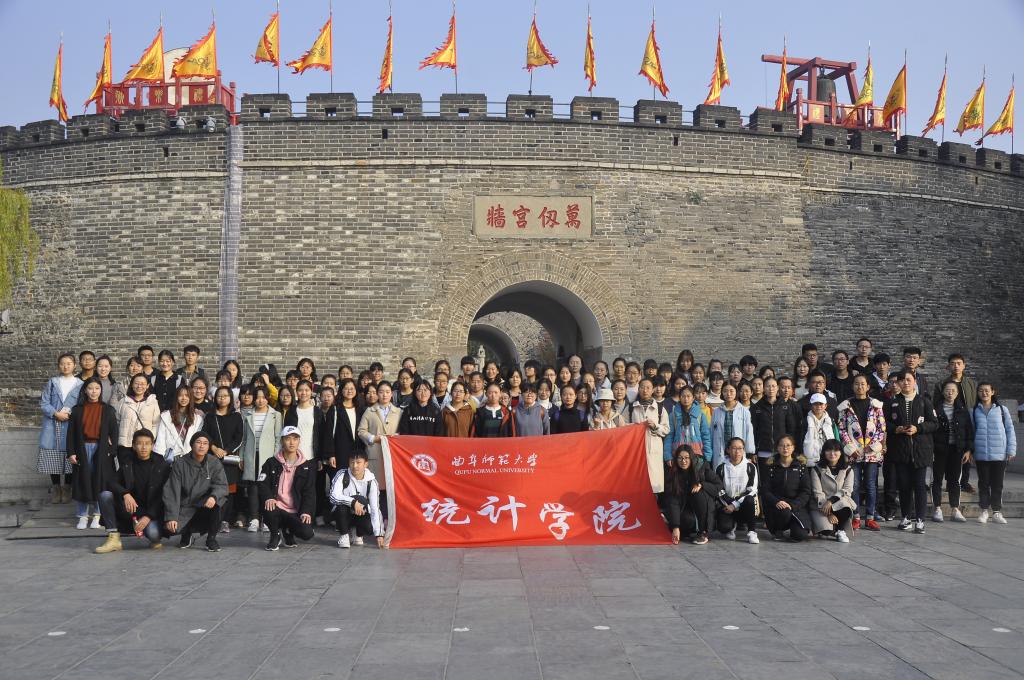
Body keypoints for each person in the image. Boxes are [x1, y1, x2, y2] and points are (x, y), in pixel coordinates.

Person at [94, 428, 170, 553]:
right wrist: (125, 494)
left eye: (147, 443)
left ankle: (151, 534)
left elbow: (163, 496)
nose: (143, 447)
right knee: (105, 495)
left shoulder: (161, 465)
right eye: (139, 443)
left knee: (154, 534)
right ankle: (113, 538)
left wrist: (148, 516)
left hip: (151, 512)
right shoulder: (128, 462)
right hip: (131, 510)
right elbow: (111, 482)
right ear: (134, 446)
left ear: (152, 445)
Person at [885, 370, 937, 534]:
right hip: (900, 450)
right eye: (902, 380)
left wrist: (918, 428)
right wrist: (897, 429)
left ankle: (920, 520)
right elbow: (885, 423)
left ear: (914, 381)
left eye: (909, 379)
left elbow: (934, 423)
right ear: (898, 383)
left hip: (921, 451)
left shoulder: (924, 401)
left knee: (920, 485)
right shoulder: (892, 402)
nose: (905, 382)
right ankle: (906, 517)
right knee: (904, 485)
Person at [66, 377, 119, 529]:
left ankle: (97, 515)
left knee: (99, 482)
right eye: (90, 388)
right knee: (82, 481)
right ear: (85, 390)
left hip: (100, 449)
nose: (93, 392)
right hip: (82, 448)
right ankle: (82, 516)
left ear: (101, 390)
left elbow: (114, 432)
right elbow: (71, 434)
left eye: (97, 388)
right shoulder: (77, 410)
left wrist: (111, 451)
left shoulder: (108, 410)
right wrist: (71, 452)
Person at [162, 431, 228, 551]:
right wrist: (171, 517)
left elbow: (221, 485)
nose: (201, 446)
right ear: (192, 444)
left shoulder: (214, 462)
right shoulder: (180, 463)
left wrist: (213, 496)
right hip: (186, 505)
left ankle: (211, 539)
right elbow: (172, 490)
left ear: (208, 447)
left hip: (205, 503)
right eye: (198, 442)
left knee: (220, 501)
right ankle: (186, 533)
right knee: (171, 529)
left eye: (205, 443)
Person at [836, 374, 886, 531]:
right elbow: (841, 428)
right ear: (853, 386)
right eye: (857, 384)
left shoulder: (876, 405)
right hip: (854, 453)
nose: (860, 386)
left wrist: (873, 446)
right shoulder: (845, 406)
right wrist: (851, 448)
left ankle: (870, 517)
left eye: (863, 384)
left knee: (871, 485)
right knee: (854, 485)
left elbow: (881, 428)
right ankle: (856, 516)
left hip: (872, 452)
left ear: (868, 386)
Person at [258, 426, 317, 550]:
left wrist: (306, 511)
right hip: (276, 508)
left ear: (299, 441)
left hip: (295, 511)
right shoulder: (271, 462)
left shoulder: (307, 466)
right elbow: (262, 483)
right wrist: (268, 497)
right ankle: (275, 535)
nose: (291, 442)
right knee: (268, 505)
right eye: (288, 439)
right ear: (282, 441)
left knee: (307, 533)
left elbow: (309, 492)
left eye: (295, 439)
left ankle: (287, 531)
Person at [39, 353, 83, 504]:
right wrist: (55, 413)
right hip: (53, 424)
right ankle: (56, 488)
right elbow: (44, 403)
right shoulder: (53, 382)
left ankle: (67, 488)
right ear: (59, 365)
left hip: (71, 424)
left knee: (71, 455)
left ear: (74, 365)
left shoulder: (80, 384)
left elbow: (82, 404)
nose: (66, 366)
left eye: (69, 363)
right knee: (53, 457)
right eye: (63, 363)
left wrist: (71, 414)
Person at [932, 353, 978, 493]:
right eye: (952, 363)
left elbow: (975, 402)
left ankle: (964, 482)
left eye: (959, 363)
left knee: (965, 453)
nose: (956, 366)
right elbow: (936, 403)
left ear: (964, 365)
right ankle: (950, 482)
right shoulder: (941, 384)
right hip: (949, 421)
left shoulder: (971, 384)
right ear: (948, 366)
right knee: (949, 455)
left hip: (966, 421)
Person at [971, 382, 1017, 524]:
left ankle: (996, 512)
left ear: (992, 392)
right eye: (981, 390)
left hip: (1000, 454)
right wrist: (971, 451)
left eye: (986, 390)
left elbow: (1010, 430)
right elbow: (971, 432)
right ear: (977, 393)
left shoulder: (1002, 410)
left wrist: (1011, 449)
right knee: (983, 483)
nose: (984, 393)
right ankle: (984, 510)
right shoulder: (974, 411)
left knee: (997, 484)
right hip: (981, 454)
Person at [241, 386, 282, 532]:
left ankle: (266, 519)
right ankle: (254, 519)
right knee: (253, 487)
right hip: (251, 455)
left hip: (268, 456)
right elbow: (244, 439)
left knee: (267, 487)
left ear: (268, 398)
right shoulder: (248, 415)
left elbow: (278, 438)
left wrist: (276, 457)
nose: (260, 400)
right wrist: (242, 457)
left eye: (263, 397)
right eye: (257, 397)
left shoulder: (275, 415)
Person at [663, 444, 722, 545]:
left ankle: (704, 532)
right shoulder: (673, 472)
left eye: (687, 458)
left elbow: (719, 485)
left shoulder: (702, 467)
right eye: (680, 458)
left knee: (698, 492)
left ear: (692, 458)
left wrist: (702, 485)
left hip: (703, 504)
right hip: (685, 506)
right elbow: (673, 501)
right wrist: (675, 527)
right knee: (686, 521)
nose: (683, 461)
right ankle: (685, 530)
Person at [931, 380, 973, 523]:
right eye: (947, 390)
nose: (950, 393)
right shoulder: (935, 409)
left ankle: (955, 508)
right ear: (943, 392)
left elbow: (968, 431)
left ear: (957, 393)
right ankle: (937, 508)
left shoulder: (962, 410)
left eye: (953, 391)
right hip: (939, 449)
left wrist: (968, 450)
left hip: (957, 449)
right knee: (937, 479)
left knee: (955, 480)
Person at [357, 381, 401, 514]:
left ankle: (389, 517)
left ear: (392, 394)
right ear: (377, 394)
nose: (384, 395)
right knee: (375, 488)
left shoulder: (399, 412)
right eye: (381, 392)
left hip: (393, 455)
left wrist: (395, 438)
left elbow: (403, 432)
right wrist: (373, 438)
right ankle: (375, 517)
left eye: (387, 392)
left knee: (391, 487)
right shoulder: (369, 411)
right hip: (375, 453)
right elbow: (361, 431)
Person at [329, 450, 386, 549]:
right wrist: (352, 502)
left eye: (358, 462)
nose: (354, 466)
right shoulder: (342, 475)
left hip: (361, 514)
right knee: (346, 504)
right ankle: (344, 535)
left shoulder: (372, 482)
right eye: (352, 462)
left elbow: (375, 508)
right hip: (342, 513)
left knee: (369, 527)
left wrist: (379, 534)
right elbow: (333, 496)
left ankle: (358, 533)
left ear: (366, 464)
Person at [207, 386, 244, 533]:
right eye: (219, 396)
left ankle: (225, 520)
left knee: (230, 491)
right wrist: (214, 448)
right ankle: (213, 519)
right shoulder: (210, 416)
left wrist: (226, 450)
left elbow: (239, 437)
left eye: (225, 396)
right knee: (214, 489)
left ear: (231, 399)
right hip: (213, 458)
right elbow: (205, 435)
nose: (222, 399)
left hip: (229, 460)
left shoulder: (236, 416)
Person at [762, 436, 813, 542]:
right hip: (777, 506)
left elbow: (806, 491)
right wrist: (776, 501)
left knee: (800, 535)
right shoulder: (771, 466)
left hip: (796, 506)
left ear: (793, 447)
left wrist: (793, 505)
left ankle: (793, 527)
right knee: (784, 512)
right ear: (777, 448)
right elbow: (765, 490)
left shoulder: (801, 467)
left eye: (788, 445)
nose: (785, 448)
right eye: (782, 445)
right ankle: (778, 529)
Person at [750, 377, 801, 477]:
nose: (771, 389)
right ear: (764, 388)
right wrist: (754, 451)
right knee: (765, 478)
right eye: (768, 386)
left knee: (780, 477)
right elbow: (753, 430)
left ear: (777, 388)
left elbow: (791, 429)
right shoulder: (757, 407)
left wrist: (791, 447)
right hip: (763, 450)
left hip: (782, 450)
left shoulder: (785, 406)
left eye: (773, 386)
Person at [809, 440, 856, 543]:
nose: (832, 453)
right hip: (821, 505)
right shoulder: (816, 469)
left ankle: (840, 530)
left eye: (836, 450)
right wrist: (829, 513)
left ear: (841, 453)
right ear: (824, 452)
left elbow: (847, 490)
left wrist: (831, 501)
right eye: (829, 450)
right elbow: (817, 492)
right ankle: (832, 528)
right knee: (825, 531)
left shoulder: (848, 469)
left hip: (839, 503)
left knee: (845, 504)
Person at [629, 379, 670, 494]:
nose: (645, 390)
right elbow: (623, 427)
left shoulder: (660, 408)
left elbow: (666, 429)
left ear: (652, 390)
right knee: (637, 485)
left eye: (648, 388)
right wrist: (635, 427)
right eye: (642, 387)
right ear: (638, 389)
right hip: (636, 449)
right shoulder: (631, 407)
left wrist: (656, 426)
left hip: (654, 449)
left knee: (653, 485)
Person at [715, 437, 759, 544]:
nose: (737, 451)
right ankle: (731, 526)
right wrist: (729, 504)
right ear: (728, 450)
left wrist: (735, 504)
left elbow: (752, 490)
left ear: (744, 450)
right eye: (734, 448)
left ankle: (752, 532)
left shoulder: (750, 467)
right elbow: (719, 489)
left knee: (749, 499)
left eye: (740, 448)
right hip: (727, 505)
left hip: (743, 505)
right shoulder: (721, 468)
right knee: (723, 527)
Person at [115, 373, 161, 460]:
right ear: (132, 385)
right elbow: (116, 422)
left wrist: (150, 439)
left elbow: (156, 424)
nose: (139, 386)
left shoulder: (152, 402)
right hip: (125, 445)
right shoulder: (123, 402)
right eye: (136, 383)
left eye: (143, 384)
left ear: (147, 386)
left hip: (144, 446)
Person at [710, 384, 755, 469]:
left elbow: (749, 433)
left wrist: (750, 453)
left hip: (738, 452)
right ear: (722, 393)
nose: (728, 394)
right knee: (721, 473)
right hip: (720, 451)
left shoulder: (744, 411)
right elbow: (712, 432)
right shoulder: (716, 412)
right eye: (725, 391)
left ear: (736, 392)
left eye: (731, 391)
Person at [155, 385, 205, 461]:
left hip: (190, 457)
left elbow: (197, 439)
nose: (184, 398)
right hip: (171, 457)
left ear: (191, 398)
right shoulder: (166, 416)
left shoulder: (197, 418)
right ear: (176, 397)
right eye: (180, 395)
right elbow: (160, 439)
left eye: (187, 395)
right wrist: (160, 458)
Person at [664, 386, 711, 463]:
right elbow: (669, 436)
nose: (686, 399)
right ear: (679, 398)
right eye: (683, 396)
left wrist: (707, 456)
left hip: (697, 455)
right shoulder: (673, 415)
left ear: (693, 398)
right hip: (678, 455)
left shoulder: (700, 415)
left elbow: (706, 436)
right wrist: (668, 456)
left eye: (688, 396)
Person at [330, 378, 365, 471]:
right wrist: (331, 454)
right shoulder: (335, 409)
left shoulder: (360, 409)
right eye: (346, 388)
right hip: (341, 451)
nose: (349, 391)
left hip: (358, 451)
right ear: (341, 390)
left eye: (352, 388)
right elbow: (328, 433)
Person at [803, 393, 840, 466]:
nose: (818, 406)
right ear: (811, 405)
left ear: (825, 406)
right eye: (815, 404)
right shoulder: (805, 421)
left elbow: (836, 439)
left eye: (821, 404)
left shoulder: (830, 421)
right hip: (810, 460)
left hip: (828, 459)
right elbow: (800, 439)